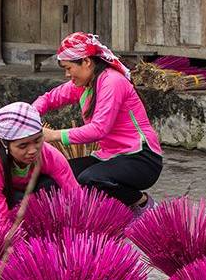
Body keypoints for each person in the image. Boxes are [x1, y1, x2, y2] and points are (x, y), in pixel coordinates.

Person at [33, 32, 163, 207]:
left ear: (86, 62)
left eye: (68, 68)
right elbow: (49, 99)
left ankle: (143, 204)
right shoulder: (83, 84)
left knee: (91, 179)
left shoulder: (112, 82)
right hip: (109, 157)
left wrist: (53, 135)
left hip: (141, 158)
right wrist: (27, 116)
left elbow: (99, 129)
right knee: (53, 178)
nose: (66, 74)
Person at [0, 102, 80, 224]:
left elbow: (74, 192)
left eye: (37, 140)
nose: (33, 150)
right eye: (23, 146)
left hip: (15, 199)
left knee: (51, 185)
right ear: (5, 143)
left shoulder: (48, 154)